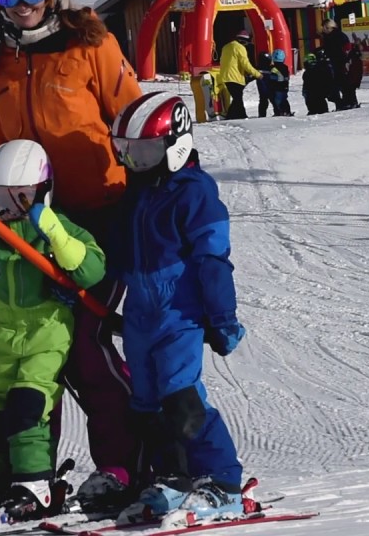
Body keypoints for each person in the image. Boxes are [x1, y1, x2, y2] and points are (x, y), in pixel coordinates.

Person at [0, 0, 144, 509]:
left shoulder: (90, 43)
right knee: (30, 354)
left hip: (100, 214)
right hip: (28, 224)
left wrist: (153, 196)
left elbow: (132, 118)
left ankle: (123, 466)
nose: (20, 4)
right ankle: (28, 479)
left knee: (90, 350)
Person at [106, 92, 248, 526]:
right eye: (126, 153)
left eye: (145, 153)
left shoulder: (195, 193)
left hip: (179, 313)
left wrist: (221, 318)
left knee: (181, 395)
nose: (135, 163)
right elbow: (116, 254)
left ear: (175, 144)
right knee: (146, 403)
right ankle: (173, 477)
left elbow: (212, 260)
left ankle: (224, 482)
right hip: (140, 314)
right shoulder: (137, 192)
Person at [0, 139, 108, 521]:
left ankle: (33, 484)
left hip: (47, 336)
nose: (6, 211)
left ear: (42, 192)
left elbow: (91, 269)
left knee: (28, 407)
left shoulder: (55, 231)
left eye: (18, 199)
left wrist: (56, 234)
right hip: (6, 340)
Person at [218, 30, 263, 120]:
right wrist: (257, 74)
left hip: (225, 76)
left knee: (237, 98)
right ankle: (238, 116)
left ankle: (235, 115)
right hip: (235, 77)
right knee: (237, 98)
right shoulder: (240, 48)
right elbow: (245, 64)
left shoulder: (226, 47)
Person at [320, 19, 350, 109]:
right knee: (334, 86)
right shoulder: (327, 37)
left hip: (339, 63)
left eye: (324, 27)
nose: (323, 29)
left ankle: (345, 103)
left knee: (341, 84)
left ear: (328, 27)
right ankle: (340, 103)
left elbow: (343, 49)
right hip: (332, 64)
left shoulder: (338, 36)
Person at [301, 50, 335, 115]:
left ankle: (314, 110)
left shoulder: (308, 73)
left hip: (313, 93)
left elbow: (307, 84)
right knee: (320, 100)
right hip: (320, 93)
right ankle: (321, 110)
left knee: (312, 99)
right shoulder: (320, 69)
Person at [267, 49, 292, 116]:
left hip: (276, 88)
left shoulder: (272, 68)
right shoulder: (285, 68)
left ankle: (281, 112)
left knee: (277, 101)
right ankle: (286, 111)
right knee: (283, 100)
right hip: (284, 87)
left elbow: (271, 77)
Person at [254, 51, 273, 117]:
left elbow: (251, 75)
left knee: (264, 101)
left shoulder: (257, 68)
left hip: (263, 89)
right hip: (270, 88)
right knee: (272, 100)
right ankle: (278, 112)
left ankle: (262, 115)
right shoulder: (271, 68)